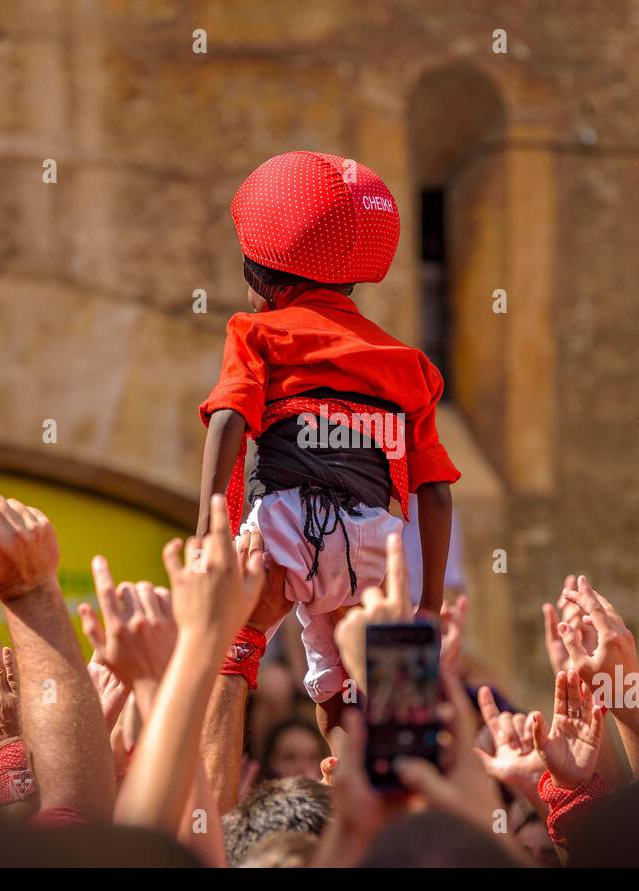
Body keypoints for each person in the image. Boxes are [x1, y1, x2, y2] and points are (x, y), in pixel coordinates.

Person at [196, 151, 460, 752]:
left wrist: (209, 532)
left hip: (284, 527)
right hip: (377, 539)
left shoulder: (256, 331)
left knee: (252, 655)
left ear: (263, 277)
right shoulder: (409, 364)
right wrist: (429, 606)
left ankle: (314, 782)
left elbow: (231, 417)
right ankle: (394, 789)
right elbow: (435, 489)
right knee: (394, 705)